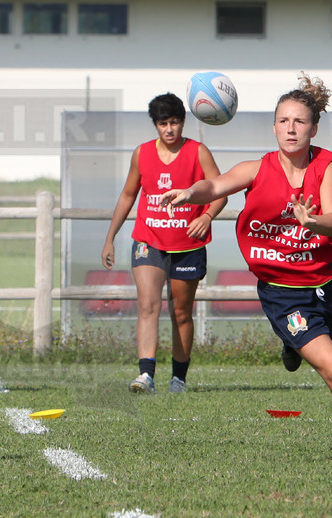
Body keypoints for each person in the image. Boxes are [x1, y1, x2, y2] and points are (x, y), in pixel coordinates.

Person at [160, 74, 332, 466]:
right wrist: (191, 192)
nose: (291, 128)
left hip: (327, 282)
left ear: (313, 128)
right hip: (283, 292)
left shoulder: (326, 166)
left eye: (299, 121)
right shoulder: (257, 169)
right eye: (283, 121)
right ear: (273, 127)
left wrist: (312, 222)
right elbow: (215, 186)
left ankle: (292, 345)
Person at [102, 93, 226, 394]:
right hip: (149, 240)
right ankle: (145, 375)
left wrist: (207, 216)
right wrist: (110, 238)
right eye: (162, 124)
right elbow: (128, 195)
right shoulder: (142, 153)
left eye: (174, 122)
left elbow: (220, 191)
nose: (169, 129)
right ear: (155, 125)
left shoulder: (198, 152)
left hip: (187, 245)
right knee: (147, 305)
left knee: (181, 312)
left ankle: (178, 379)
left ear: (183, 122)